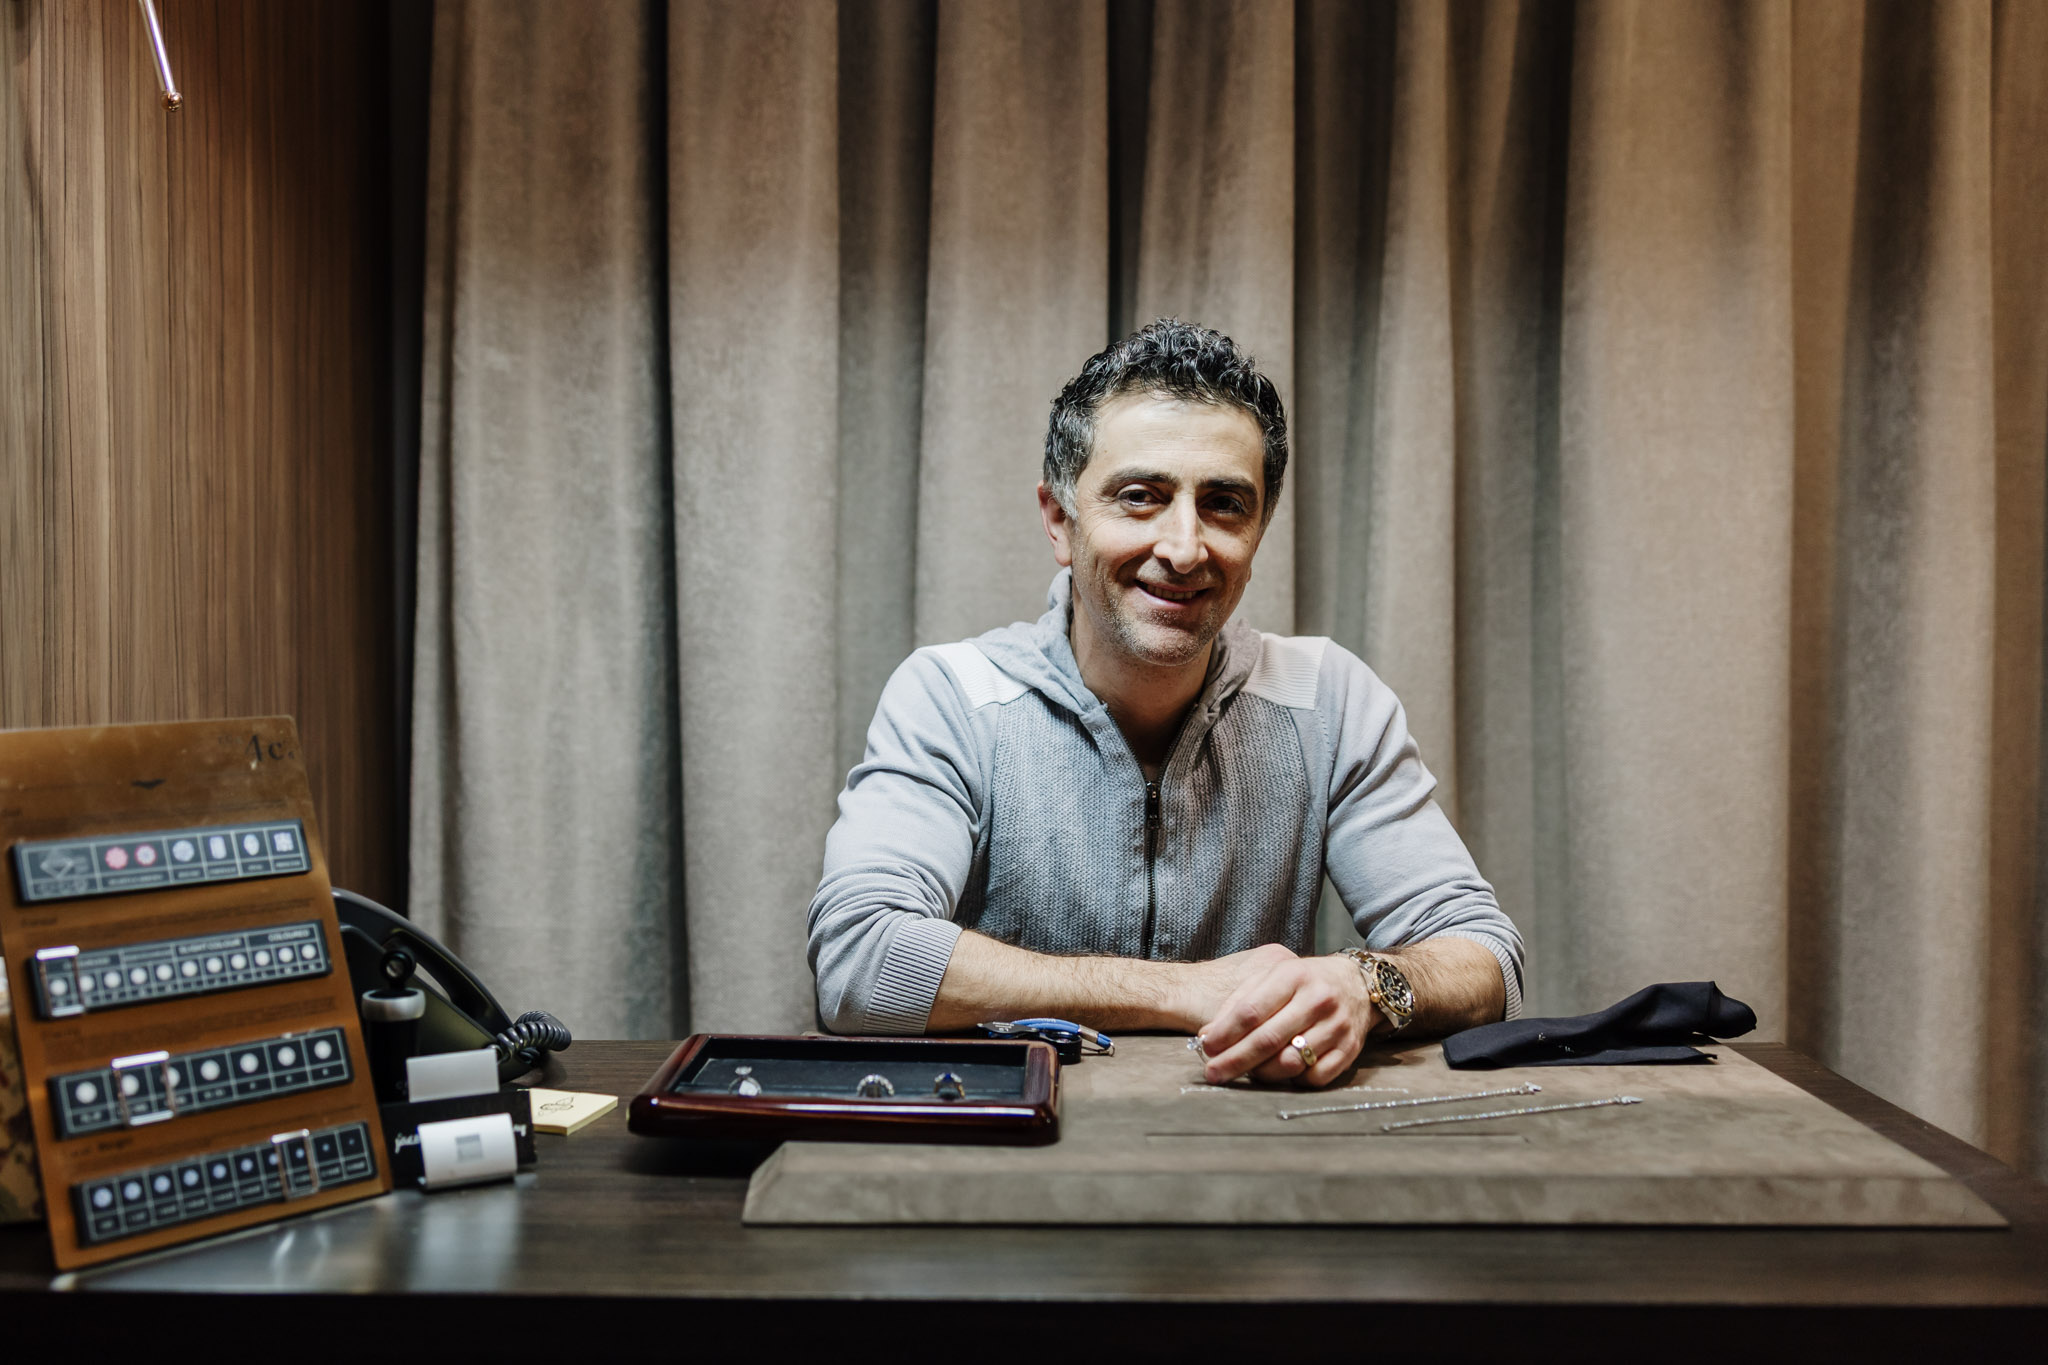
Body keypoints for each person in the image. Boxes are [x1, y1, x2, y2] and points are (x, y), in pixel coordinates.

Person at [808, 319, 1523, 1087]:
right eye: (1141, 497)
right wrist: (1185, 991)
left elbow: (1488, 962)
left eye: (1224, 504)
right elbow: (858, 959)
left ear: (1260, 530)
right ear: (1059, 520)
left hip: (1248, 1144)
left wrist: (1367, 984)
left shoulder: (1331, 701)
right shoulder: (951, 694)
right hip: (1016, 1142)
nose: (1184, 548)